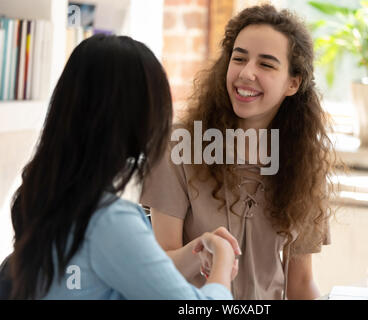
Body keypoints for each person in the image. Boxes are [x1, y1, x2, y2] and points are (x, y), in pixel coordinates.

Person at [7, 34, 239, 300]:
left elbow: (132, 272)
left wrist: (196, 253)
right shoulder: (107, 220)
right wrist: (223, 259)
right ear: (140, 115)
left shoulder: (50, 198)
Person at [140, 4, 336, 300]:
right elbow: (157, 269)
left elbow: (301, 283)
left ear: (293, 83)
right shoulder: (179, 146)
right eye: (239, 58)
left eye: (266, 65)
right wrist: (201, 250)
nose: (246, 73)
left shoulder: (305, 162)